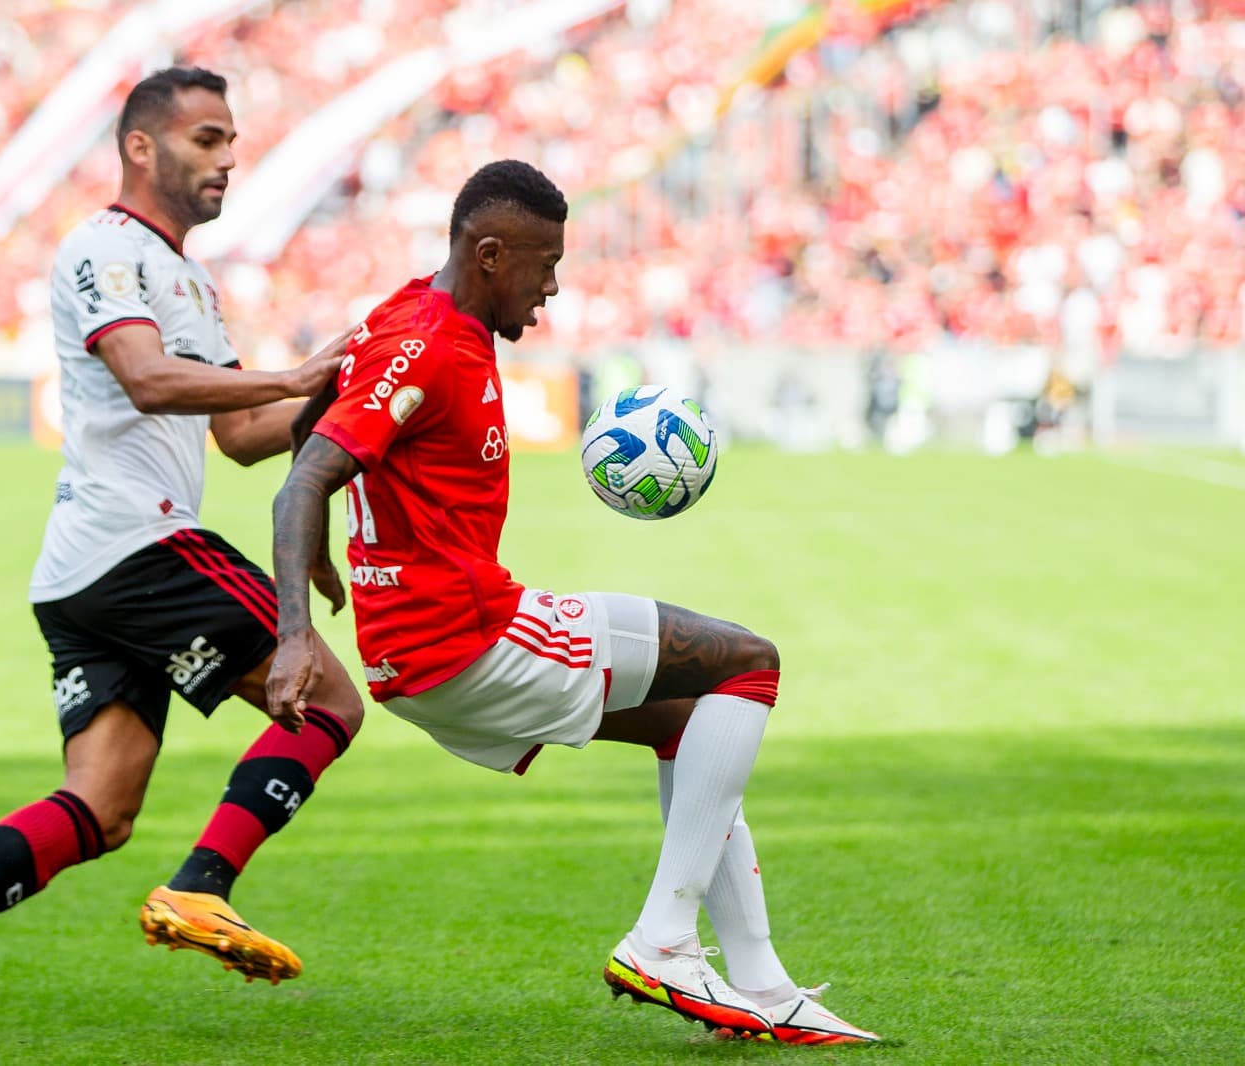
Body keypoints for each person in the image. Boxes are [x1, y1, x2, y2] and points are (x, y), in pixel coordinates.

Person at [266, 160, 879, 1045]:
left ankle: (764, 985)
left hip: (424, 651)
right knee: (749, 665)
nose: (551, 288)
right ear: (488, 254)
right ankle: (664, 942)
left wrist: (328, 550)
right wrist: (295, 633)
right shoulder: (430, 343)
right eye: (543, 264)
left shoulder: (404, 314)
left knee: (688, 723)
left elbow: (311, 424)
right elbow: (301, 481)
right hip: (468, 636)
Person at [0, 66, 365, 1047]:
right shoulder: (102, 249)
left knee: (102, 804)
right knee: (328, 701)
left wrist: (345, 395)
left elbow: (246, 431)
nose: (228, 157)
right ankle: (203, 886)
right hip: (140, 545)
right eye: (206, 138)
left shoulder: (189, 279)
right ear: (141, 146)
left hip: (88, 572)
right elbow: (143, 376)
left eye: (230, 140)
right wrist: (295, 370)